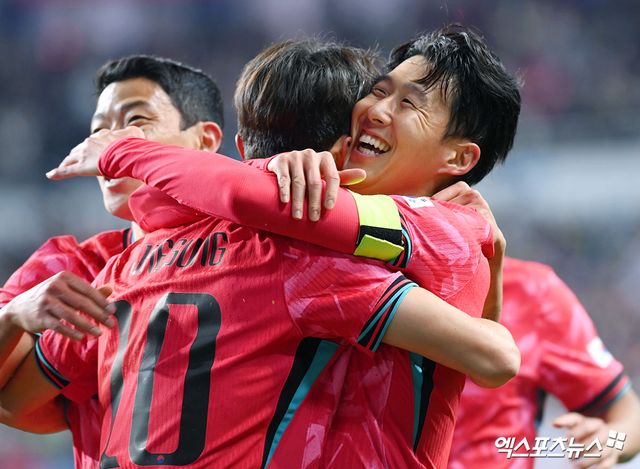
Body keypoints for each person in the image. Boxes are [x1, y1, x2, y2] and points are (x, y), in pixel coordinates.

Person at [49, 29, 519, 467]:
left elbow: (497, 359)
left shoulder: (438, 228)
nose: (377, 111)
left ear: (460, 157)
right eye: (379, 91)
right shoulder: (307, 253)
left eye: (409, 103)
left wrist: (124, 151)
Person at [0, 54, 224, 468]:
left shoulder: (256, 247)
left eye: (135, 121)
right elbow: (11, 407)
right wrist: (13, 314)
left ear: (205, 140)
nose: (108, 145)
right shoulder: (70, 267)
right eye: (99, 130)